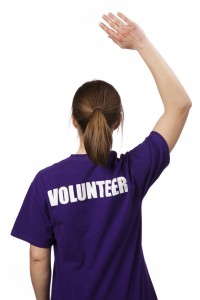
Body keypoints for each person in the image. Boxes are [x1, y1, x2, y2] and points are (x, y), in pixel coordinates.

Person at [11, 12, 192, 300]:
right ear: (118, 120)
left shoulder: (46, 183)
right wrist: (142, 44)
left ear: (73, 120)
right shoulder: (132, 172)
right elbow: (180, 105)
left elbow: (38, 258)